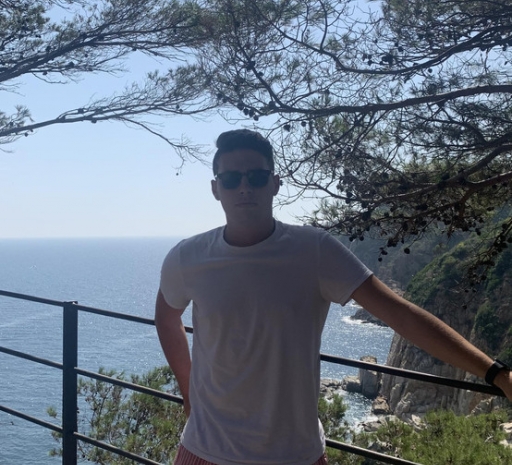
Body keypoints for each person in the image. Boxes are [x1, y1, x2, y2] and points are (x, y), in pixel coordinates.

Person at [155, 129, 512, 465]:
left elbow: (400, 314)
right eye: (232, 179)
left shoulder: (314, 250)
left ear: (275, 183)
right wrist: (188, 392)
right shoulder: (188, 257)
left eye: (257, 176)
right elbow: (167, 317)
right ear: (216, 188)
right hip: (204, 449)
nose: (244, 187)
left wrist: (495, 373)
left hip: (294, 454)